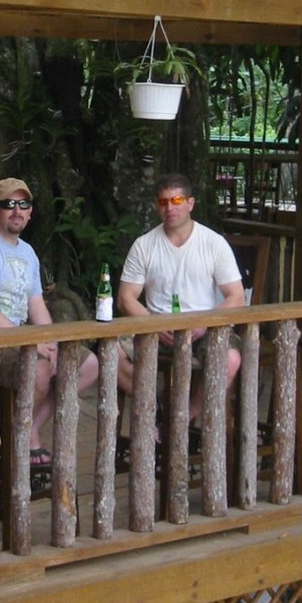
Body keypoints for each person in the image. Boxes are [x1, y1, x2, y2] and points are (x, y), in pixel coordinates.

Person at [0, 177, 98, 465]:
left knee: (88, 364)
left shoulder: (27, 252)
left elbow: (37, 305)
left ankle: (27, 427)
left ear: (30, 211)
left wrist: (51, 341)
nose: (16, 210)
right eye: (8, 204)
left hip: (16, 338)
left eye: (23, 204)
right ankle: (22, 441)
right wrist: (32, 342)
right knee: (38, 366)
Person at [117, 172, 244, 423]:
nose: (170, 208)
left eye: (176, 201)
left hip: (204, 328)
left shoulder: (213, 243)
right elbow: (126, 298)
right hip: (156, 328)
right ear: (156, 205)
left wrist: (204, 323)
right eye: (164, 202)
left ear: (190, 203)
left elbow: (236, 296)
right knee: (111, 353)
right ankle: (153, 408)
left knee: (230, 359)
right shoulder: (144, 245)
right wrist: (155, 324)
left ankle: (182, 418)